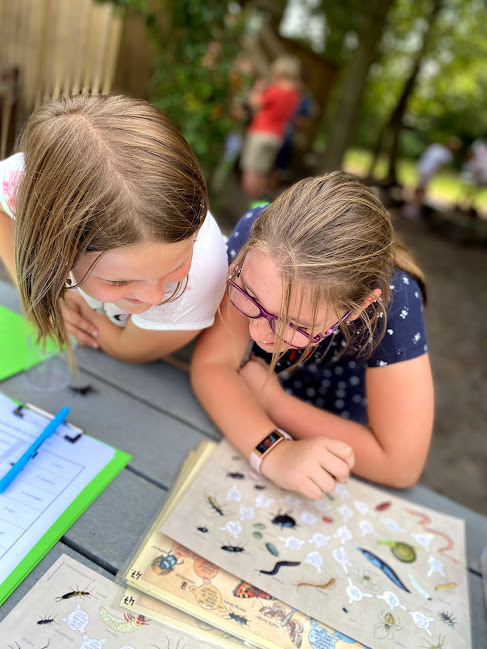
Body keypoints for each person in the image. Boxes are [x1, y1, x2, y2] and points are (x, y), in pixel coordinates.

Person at [191, 173, 434, 500]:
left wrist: (274, 402)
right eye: (249, 295)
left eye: (297, 325)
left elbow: (400, 464)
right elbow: (213, 364)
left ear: (360, 307)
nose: (259, 333)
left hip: (335, 426)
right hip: (248, 396)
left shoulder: (396, 302)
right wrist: (273, 451)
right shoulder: (262, 242)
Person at [0, 95, 228, 362]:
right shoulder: (24, 185)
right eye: (119, 281)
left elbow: (127, 349)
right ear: (55, 241)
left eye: (176, 265)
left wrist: (75, 313)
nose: (155, 297)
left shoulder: (204, 274)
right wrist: (38, 290)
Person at [240, 54, 302, 204]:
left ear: (280, 73)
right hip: (276, 137)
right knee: (262, 173)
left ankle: (249, 206)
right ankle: (257, 207)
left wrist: (258, 89)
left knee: (250, 171)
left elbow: (254, 102)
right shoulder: (295, 96)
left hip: (260, 133)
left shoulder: (275, 90)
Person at [403, 136, 462, 219]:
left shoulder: (436, 146)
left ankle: (412, 207)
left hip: (421, 167)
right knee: (421, 190)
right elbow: (439, 166)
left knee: (419, 188)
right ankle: (412, 209)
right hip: (428, 171)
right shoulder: (447, 154)